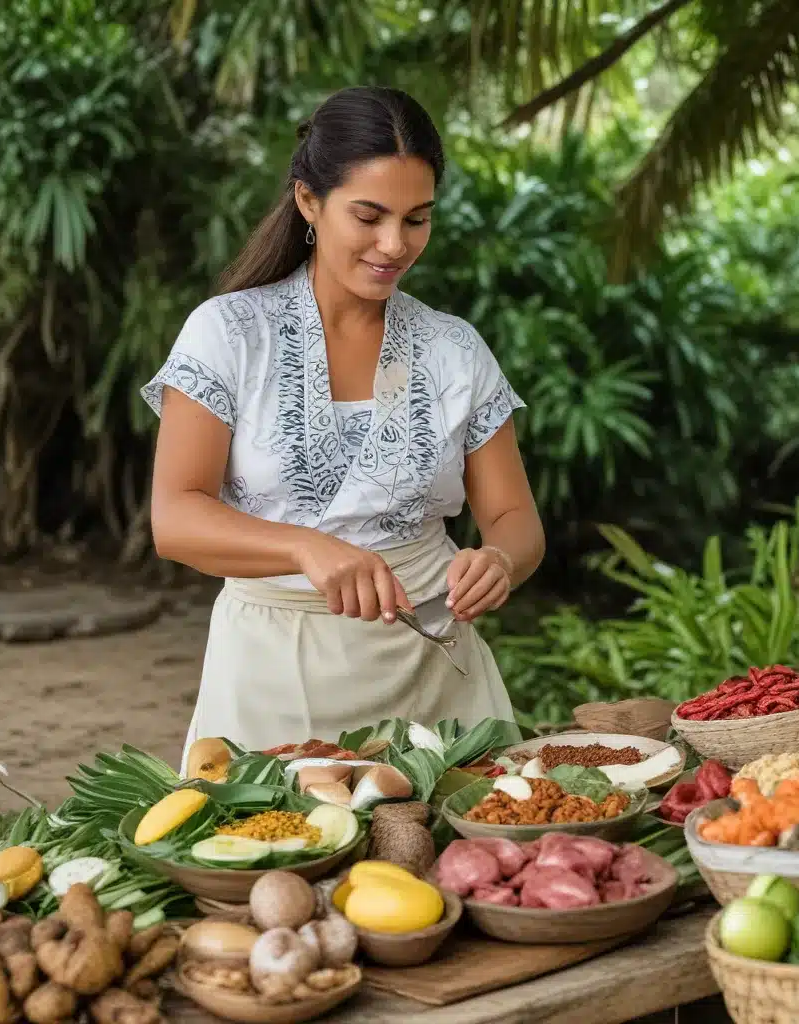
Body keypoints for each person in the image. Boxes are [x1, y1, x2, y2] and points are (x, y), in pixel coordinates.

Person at [142, 86, 544, 763]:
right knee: (273, 857)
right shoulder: (230, 334)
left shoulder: (453, 349)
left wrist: (499, 558)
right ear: (308, 200)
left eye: (417, 219)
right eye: (369, 215)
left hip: (436, 682)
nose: (394, 244)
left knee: (464, 862)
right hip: (271, 679)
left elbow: (514, 518)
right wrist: (305, 547)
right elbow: (175, 518)